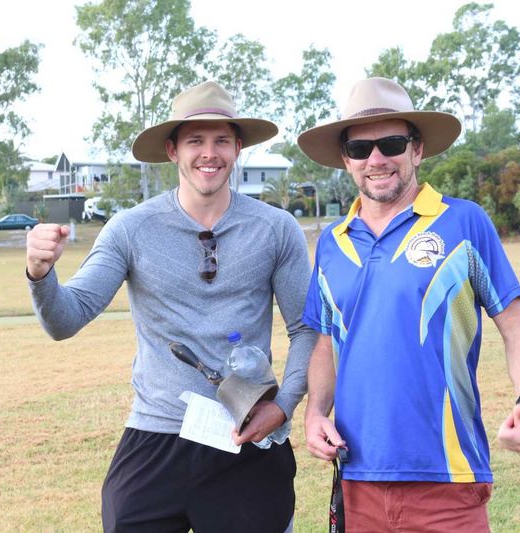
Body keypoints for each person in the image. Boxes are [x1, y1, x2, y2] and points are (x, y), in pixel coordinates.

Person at [26, 80, 316, 532]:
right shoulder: (131, 229)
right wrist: (41, 273)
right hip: (157, 435)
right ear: (172, 150)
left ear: (238, 147)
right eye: (195, 140)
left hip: (247, 435)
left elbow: (306, 328)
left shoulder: (276, 229)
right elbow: (66, 318)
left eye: (222, 140)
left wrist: (283, 406)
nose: (210, 153)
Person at [297, 77, 520, 531]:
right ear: (345, 160)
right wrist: (315, 414)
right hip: (357, 480)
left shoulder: (463, 222)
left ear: (417, 150)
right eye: (360, 149)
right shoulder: (331, 244)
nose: (376, 159)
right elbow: (325, 342)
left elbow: (517, 324)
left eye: (391, 143)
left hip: (448, 480)